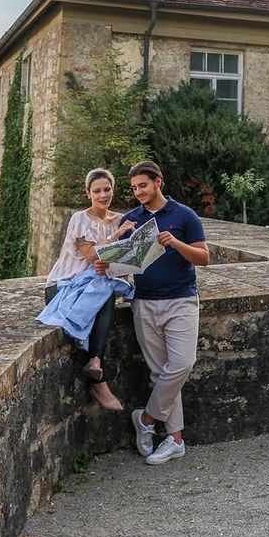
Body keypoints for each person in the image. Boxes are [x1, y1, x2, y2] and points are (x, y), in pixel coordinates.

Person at [99, 159, 209, 465]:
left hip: (181, 299)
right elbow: (113, 262)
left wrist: (175, 243)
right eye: (134, 188)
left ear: (158, 182)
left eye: (143, 186)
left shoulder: (184, 215)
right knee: (161, 372)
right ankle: (175, 440)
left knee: (183, 363)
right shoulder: (132, 219)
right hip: (144, 301)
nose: (138, 192)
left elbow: (203, 258)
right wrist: (107, 257)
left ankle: (146, 418)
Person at [41, 168, 131, 412]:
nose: (103, 195)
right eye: (97, 191)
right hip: (65, 285)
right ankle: (98, 378)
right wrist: (118, 236)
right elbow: (92, 256)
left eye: (107, 189)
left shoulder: (120, 220)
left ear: (113, 189)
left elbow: (119, 263)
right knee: (104, 291)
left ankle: (95, 361)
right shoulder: (80, 219)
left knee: (105, 288)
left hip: (97, 284)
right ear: (88, 193)